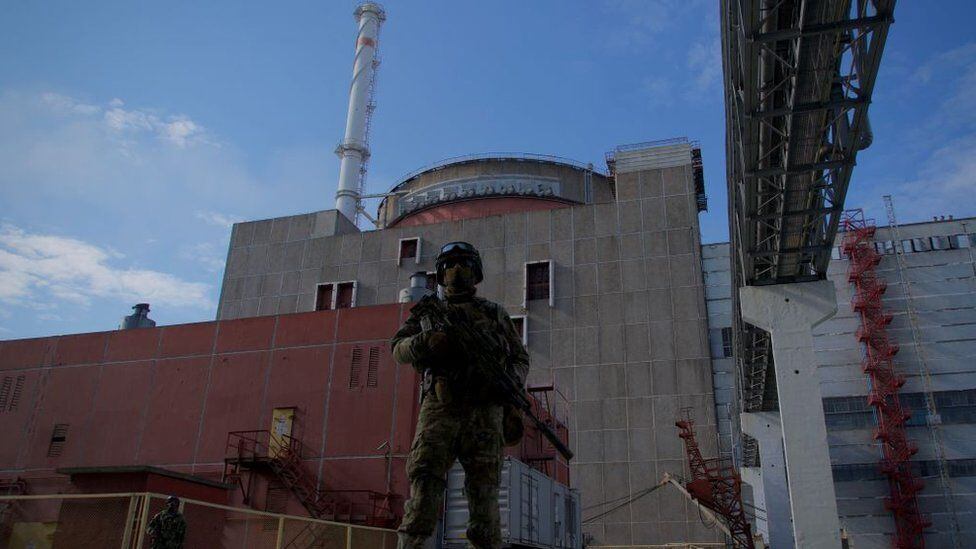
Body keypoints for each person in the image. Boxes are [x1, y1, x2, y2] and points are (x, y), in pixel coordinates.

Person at [392, 241, 529, 549]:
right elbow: (398, 349)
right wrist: (426, 341)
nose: (457, 271)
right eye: (450, 265)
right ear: (440, 273)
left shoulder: (494, 314)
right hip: (441, 409)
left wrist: (510, 384)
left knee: (485, 498)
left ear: (475, 272)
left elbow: (520, 358)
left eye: (464, 265)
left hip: (484, 412)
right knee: (425, 485)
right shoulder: (430, 313)